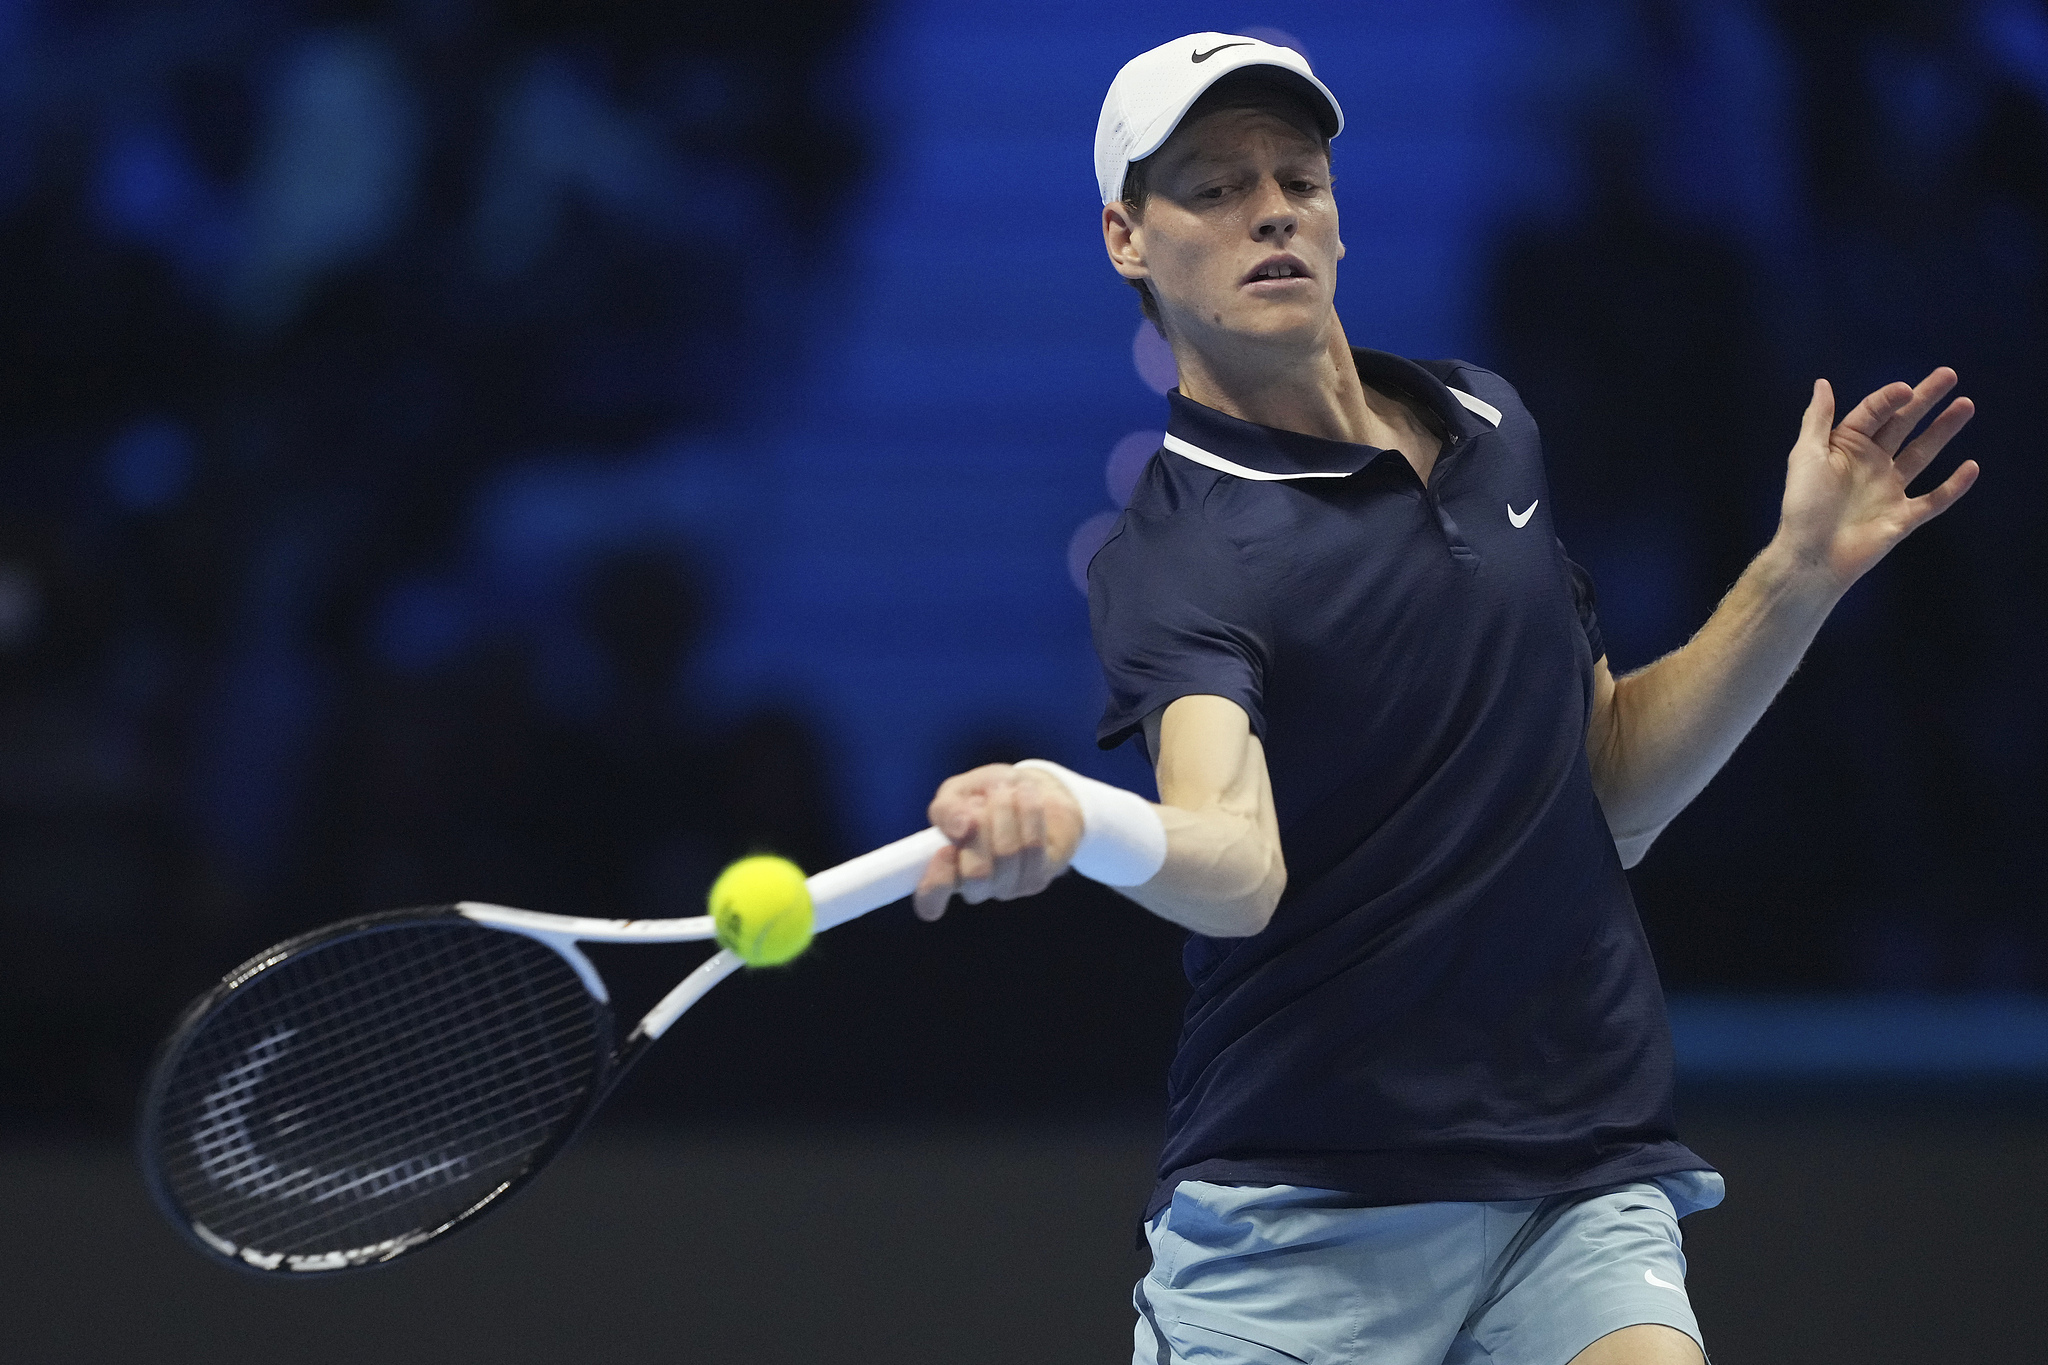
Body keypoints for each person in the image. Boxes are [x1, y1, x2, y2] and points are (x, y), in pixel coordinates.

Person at [909, 32, 1977, 1365]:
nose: (1272, 208)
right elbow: (1235, 863)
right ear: (1128, 237)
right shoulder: (1181, 557)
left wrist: (1799, 574)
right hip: (1302, 1225)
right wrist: (1078, 815)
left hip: (1573, 1184)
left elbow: (1610, 788)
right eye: (1214, 188)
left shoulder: (1488, 423)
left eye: (1297, 175)